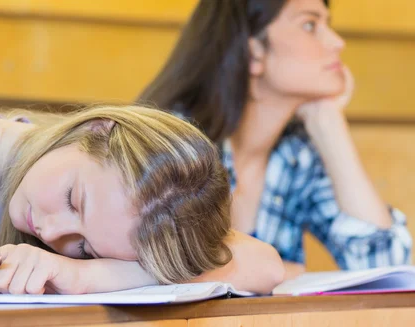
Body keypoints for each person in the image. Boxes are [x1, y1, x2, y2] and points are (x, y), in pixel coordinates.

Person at [0, 99, 284, 295]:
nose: (52, 232)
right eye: (73, 200)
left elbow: (264, 264)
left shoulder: (80, 243)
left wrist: (82, 275)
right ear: (93, 130)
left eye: (84, 244)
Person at [138, 0, 411, 278]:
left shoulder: (297, 154)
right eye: (310, 25)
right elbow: (166, 271)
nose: (337, 42)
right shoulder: (172, 143)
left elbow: (386, 267)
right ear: (254, 51)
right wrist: (278, 271)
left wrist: (327, 121)